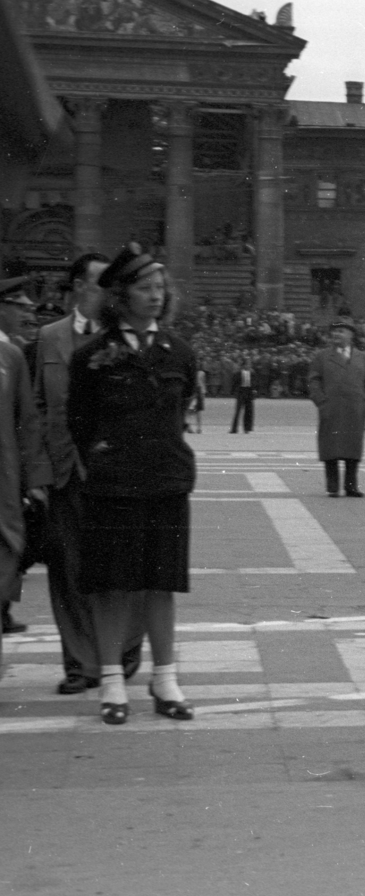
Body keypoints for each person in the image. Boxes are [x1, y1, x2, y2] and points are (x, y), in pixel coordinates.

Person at [68, 243, 201, 725]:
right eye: (145, 288)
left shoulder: (179, 352)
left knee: (161, 584)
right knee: (113, 587)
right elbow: (79, 425)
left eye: (160, 288)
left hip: (166, 481)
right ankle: (111, 682)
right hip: (115, 486)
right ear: (121, 297)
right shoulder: (91, 357)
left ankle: (165, 679)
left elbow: (180, 409)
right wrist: (107, 460)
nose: (155, 296)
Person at [34, 253, 142, 694]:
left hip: (116, 473)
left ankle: (124, 654)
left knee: (124, 568)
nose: (109, 292)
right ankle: (81, 664)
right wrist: (41, 471)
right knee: (69, 571)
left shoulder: (129, 338)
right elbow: (39, 406)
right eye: (100, 283)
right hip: (66, 473)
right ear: (78, 286)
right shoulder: (48, 337)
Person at [0, 276, 40, 635]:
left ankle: (4, 610)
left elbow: (26, 420)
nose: (25, 313)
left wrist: (33, 478)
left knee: (11, 548)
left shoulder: (12, 355)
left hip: (6, 475)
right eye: (19, 306)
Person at [307, 319, 365, 498]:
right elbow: (314, 380)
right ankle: (333, 486)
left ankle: (351, 486)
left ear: (351, 335)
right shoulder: (322, 356)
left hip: (354, 408)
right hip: (331, 407)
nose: (336, 334)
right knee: (331, 448)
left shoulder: (361, 357)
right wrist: (321, 401)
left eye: (341, 331)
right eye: (334, 331)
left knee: (352, 448)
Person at [229, 357, 254, 433]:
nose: (249, 365)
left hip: (249, 392)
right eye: (248, 364)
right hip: (241, 392)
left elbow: (255, 383)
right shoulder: (238, 373)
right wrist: (234, 392)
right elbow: (234, 383)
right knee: (238, 411)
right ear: (244, 365)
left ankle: (247, 428)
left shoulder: (252, 373)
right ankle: (234, 429)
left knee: (248, 411)